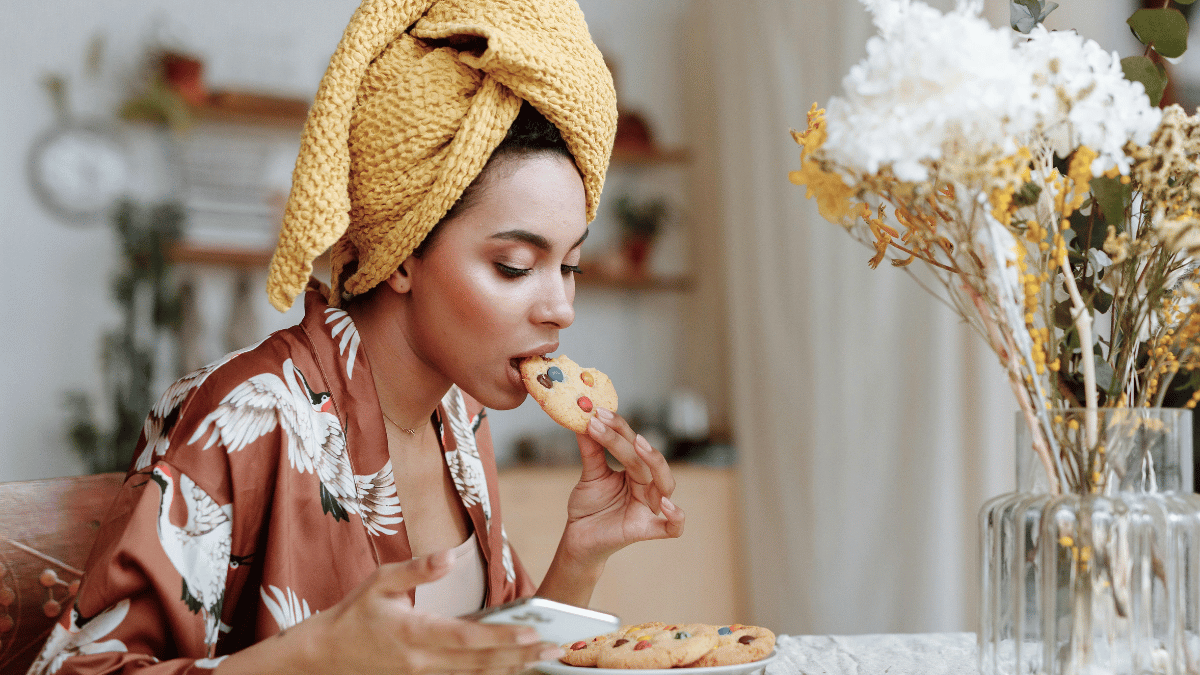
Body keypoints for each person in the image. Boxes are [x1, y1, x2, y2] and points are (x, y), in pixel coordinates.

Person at [28, 0, 685, 673]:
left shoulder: (459, 419)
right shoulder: (247, 415)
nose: (561, 307)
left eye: (569, 265)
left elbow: (489, 660)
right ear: (401, 253)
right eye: (514, 266)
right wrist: (311, 656)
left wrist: (581, 555)